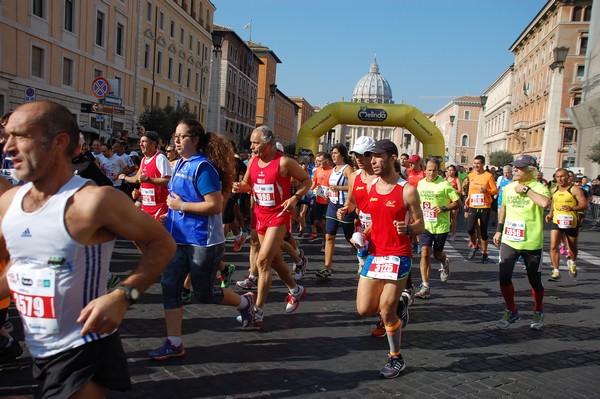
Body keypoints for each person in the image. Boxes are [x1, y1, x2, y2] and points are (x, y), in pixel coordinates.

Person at [0, 101, 176, 398]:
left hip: (84, 348)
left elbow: (162, 243)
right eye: (6, 136)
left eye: (21, 136)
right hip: (39, 350)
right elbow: (22, 269)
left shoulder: (93, 202)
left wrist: (123, 296)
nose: (7, 147)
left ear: (59, 142)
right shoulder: (9, 203)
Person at [149, 120, 257, 359]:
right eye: (174, 136)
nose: (176, 141)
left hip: (203, 241)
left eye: (182, 136)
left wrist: (181, 206)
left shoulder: (203, 168)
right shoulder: (178, 165)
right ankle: (174, 342)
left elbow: (215, 205)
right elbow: (178, 198)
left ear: (195, 140)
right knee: (170, 288)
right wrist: (171, 211)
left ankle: (245, 303)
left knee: (204, 294)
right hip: (178, 239)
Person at [356, 139, 424, 379]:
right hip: (375, 255)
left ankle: (396, 358)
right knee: (364, 309)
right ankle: (400, 306)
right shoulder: (372, 186)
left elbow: (420, 225)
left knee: (385, 311)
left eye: (377, 156)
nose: (371, 161)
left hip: (398, 256)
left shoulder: (407, 189)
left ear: (392, 158)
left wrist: (408, 230)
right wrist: (363, 235)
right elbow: (377, 219)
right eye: (370, 157)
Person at [232, 125, 311, 327]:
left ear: (267, 143)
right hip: (260, 216)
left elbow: (306, 181)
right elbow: (248, 184)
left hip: (279, 216)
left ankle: (256, 311)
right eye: (251, 143)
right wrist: (241, 187)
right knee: (275, 262)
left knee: (262, 261)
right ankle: (295, 290)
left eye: (255, 143)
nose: (251, 147)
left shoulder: (284, 162)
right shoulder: (253, 162)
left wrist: (294, 198)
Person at [492, 155, 550, 330]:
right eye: (514, 167)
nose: (515, 170)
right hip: (510, 240)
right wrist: (498, 230)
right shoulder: (508, 188)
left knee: (534, 281)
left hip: (531, 242)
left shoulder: (539, 187)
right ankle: (511, 310)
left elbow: (545, 202)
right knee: (504, 278)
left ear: (531, 171)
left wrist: (525, 190)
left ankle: (538, 310)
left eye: (520, 168)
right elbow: (504, 209)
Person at [414, 158, 462, 299]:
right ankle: (425, 286)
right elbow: (416, 204)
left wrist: (444, 207)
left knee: (437, 254)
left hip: (440, 225)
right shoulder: (420, 184)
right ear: (425, 169)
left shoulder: (445, 185)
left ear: (438, 170)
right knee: (424, 253)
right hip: (426, 225)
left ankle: (444, 262)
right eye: (429, 170)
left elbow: (457, 202)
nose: (432, 173)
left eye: (434, 170)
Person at [315, 143, 355, 279]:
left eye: (336, 153)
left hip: (345, 206)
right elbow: (331, 186)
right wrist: (327, 193)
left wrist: (338, 188)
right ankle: (327, 268)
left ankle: (363, 257)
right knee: (329, 236)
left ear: (343, 155)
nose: (333, 155)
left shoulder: (347, 169)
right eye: (332, 153)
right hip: (332, 205)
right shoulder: (334, 169)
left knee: (349, 237)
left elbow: (354, 187)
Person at [546, 168, 588, 281]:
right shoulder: (554, 190)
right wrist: (550, 214)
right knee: (553, 245)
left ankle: (573, 262)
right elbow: (554, 202)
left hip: (571, 222)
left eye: (562, 176)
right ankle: (556, 271)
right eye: (557, 177)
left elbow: (584, 204)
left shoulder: (575, 190)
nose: (560, 179)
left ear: (568, 177)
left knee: (572, 246)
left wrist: (572, 208)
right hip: (557, 221)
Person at [120, 131, 172, 221]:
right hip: (146, 205)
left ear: (153, 143)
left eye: (144, 141)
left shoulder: (160, 158)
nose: (141, 144)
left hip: (159, 207)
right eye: (140, 142)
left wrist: (148, 179)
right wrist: (138, 191)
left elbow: (168, 180)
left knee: (155, 234)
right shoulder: (144, 160)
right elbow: (137, 179)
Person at [464, 155, 498, 263]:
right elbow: (470, 189)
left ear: (482, 164)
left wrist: (486, 191)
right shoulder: (471, 175)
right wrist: (467, 200)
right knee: (470, 229)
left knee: (483, 231)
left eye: (478, 163)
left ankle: (484, 252)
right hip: (473, 206)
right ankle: (474, 246)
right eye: (474, 163)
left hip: (485, 206)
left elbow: (495, 191)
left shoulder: (488, 176)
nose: (476, 165)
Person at [310, 152, 333, 248]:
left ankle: (325, 243)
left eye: (320, 161)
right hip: (318, 200)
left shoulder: (333, 171)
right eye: (317, 161)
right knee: (316, 223)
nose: (318, 163)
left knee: (324, 223)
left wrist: (331, 194)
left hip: (328, 202)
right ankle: (325, 236)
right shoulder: (317, 170)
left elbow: (334, 186)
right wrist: (309, 191)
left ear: (327, 161)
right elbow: (314, 183)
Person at [445, 164, 463, 241]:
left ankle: (453, 233)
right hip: (446, 201)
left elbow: (460, 191)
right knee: (446, 218)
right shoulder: (445, 179)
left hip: (455, 201)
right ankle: (445, 232)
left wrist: (451, 190)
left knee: (453, 218)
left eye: (451, 170)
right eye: (448, 170)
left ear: (455, 171)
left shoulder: (457, 179)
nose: (450, 172)